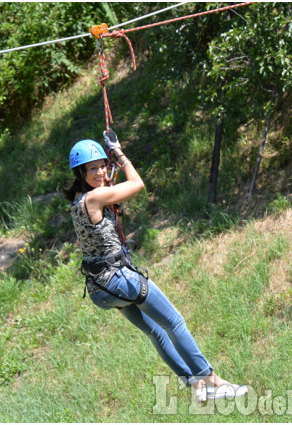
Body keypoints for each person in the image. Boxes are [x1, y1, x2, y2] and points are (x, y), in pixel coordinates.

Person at [63, 129, 247, 402]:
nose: (101, 172)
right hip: (117, 279)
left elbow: (107, 206)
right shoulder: (95, 198)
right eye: (93, 169)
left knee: (156, 331)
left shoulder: (79, 202)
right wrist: (119, 154)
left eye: (103, 165)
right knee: (174, 321)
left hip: (100, 289)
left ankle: (195, 386)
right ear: (80, 173)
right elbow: (137, 184)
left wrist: (108, 178)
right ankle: (212, 381)